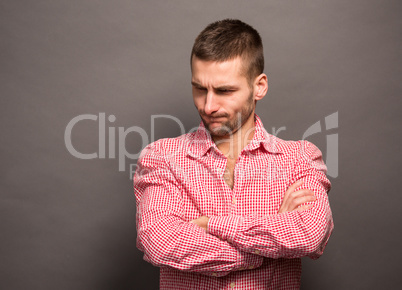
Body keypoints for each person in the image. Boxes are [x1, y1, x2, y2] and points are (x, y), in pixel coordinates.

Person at [134, 19, 333, 289]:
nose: (209, 105)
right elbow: (160, 241)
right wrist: (269, 239)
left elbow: (308, 234)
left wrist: (212, 225)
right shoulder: (161, 157)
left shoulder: (299, 158)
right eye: (200, 88)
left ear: (259, 86)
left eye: (225, 91)